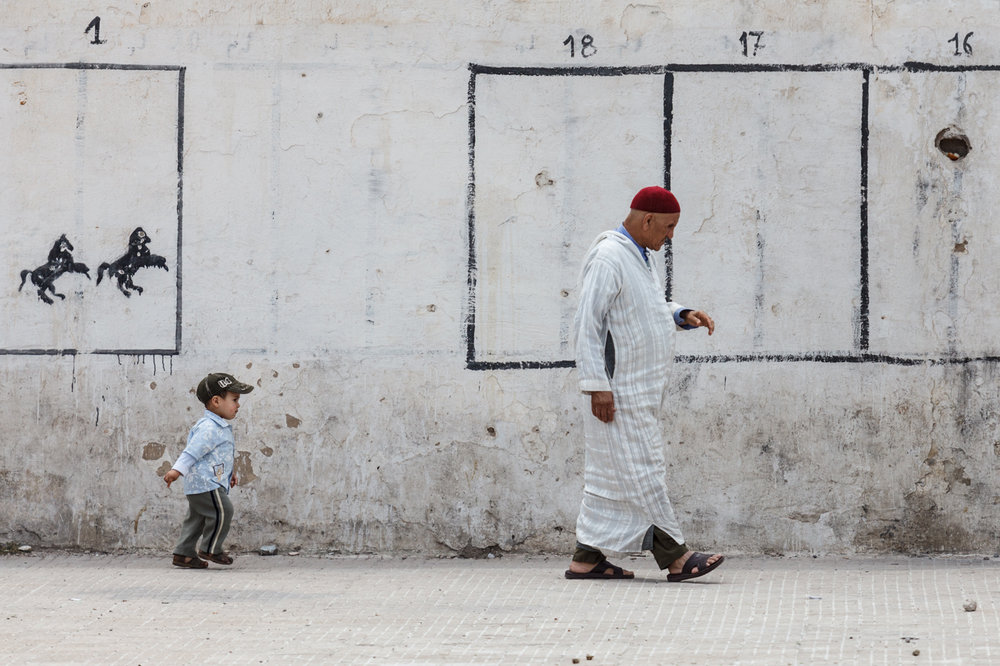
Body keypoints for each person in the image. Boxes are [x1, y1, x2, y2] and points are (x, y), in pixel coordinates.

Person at [565, 186, 724, 582]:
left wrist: (681, 314)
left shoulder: (637, 255)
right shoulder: (608, 256)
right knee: (643, 470)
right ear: (647, 219)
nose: (670, 237)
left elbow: (644, 308)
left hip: (637, 390)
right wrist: (596, 385)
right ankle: (675, 556)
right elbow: (588, 324)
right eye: (668, 228)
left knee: (610, 474)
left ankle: (586, 559)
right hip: (618, 391)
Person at [164, 372, 254, 568]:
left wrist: (229, 475)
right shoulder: (209, 428)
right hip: (206, 483)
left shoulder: (217, 427)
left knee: (197, 519)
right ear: (216, 401)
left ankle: (183, 554)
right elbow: (192, 452)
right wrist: (176, 471)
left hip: (203, 483)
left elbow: (218, 457)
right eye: (235, 399)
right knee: (224, 511)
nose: (238, 405)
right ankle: (211, 548)